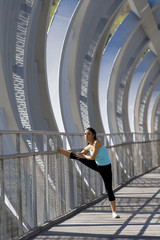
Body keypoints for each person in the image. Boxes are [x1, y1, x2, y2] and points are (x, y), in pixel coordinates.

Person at [58, 127, 120, 219]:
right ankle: (59, 149)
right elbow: (81, 155)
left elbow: (92, 157)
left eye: (88, 134)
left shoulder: (96, 143)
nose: (86, 136)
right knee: (77, 156)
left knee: (109, 189)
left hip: (106, 168)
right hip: (96, 165)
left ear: (93, 135)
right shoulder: (87, 147)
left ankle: (114, 212)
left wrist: (83, 156)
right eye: (85, 134)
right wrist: (81, 155)